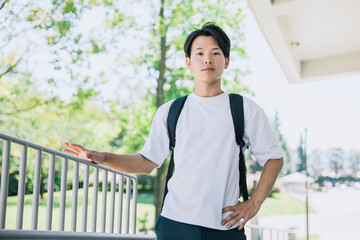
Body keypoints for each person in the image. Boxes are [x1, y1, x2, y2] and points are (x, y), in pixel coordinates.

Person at [62, 22, 283, 240]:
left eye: (215, 53)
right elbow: (147, 162)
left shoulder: (244, 109)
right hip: (175, 225)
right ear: (188, 62)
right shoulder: (171, 111)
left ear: (226, 62)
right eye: (199, 53)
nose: (207, 59)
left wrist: (254, 203)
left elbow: (274, 158)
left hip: (225, 228)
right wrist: (103, 157)